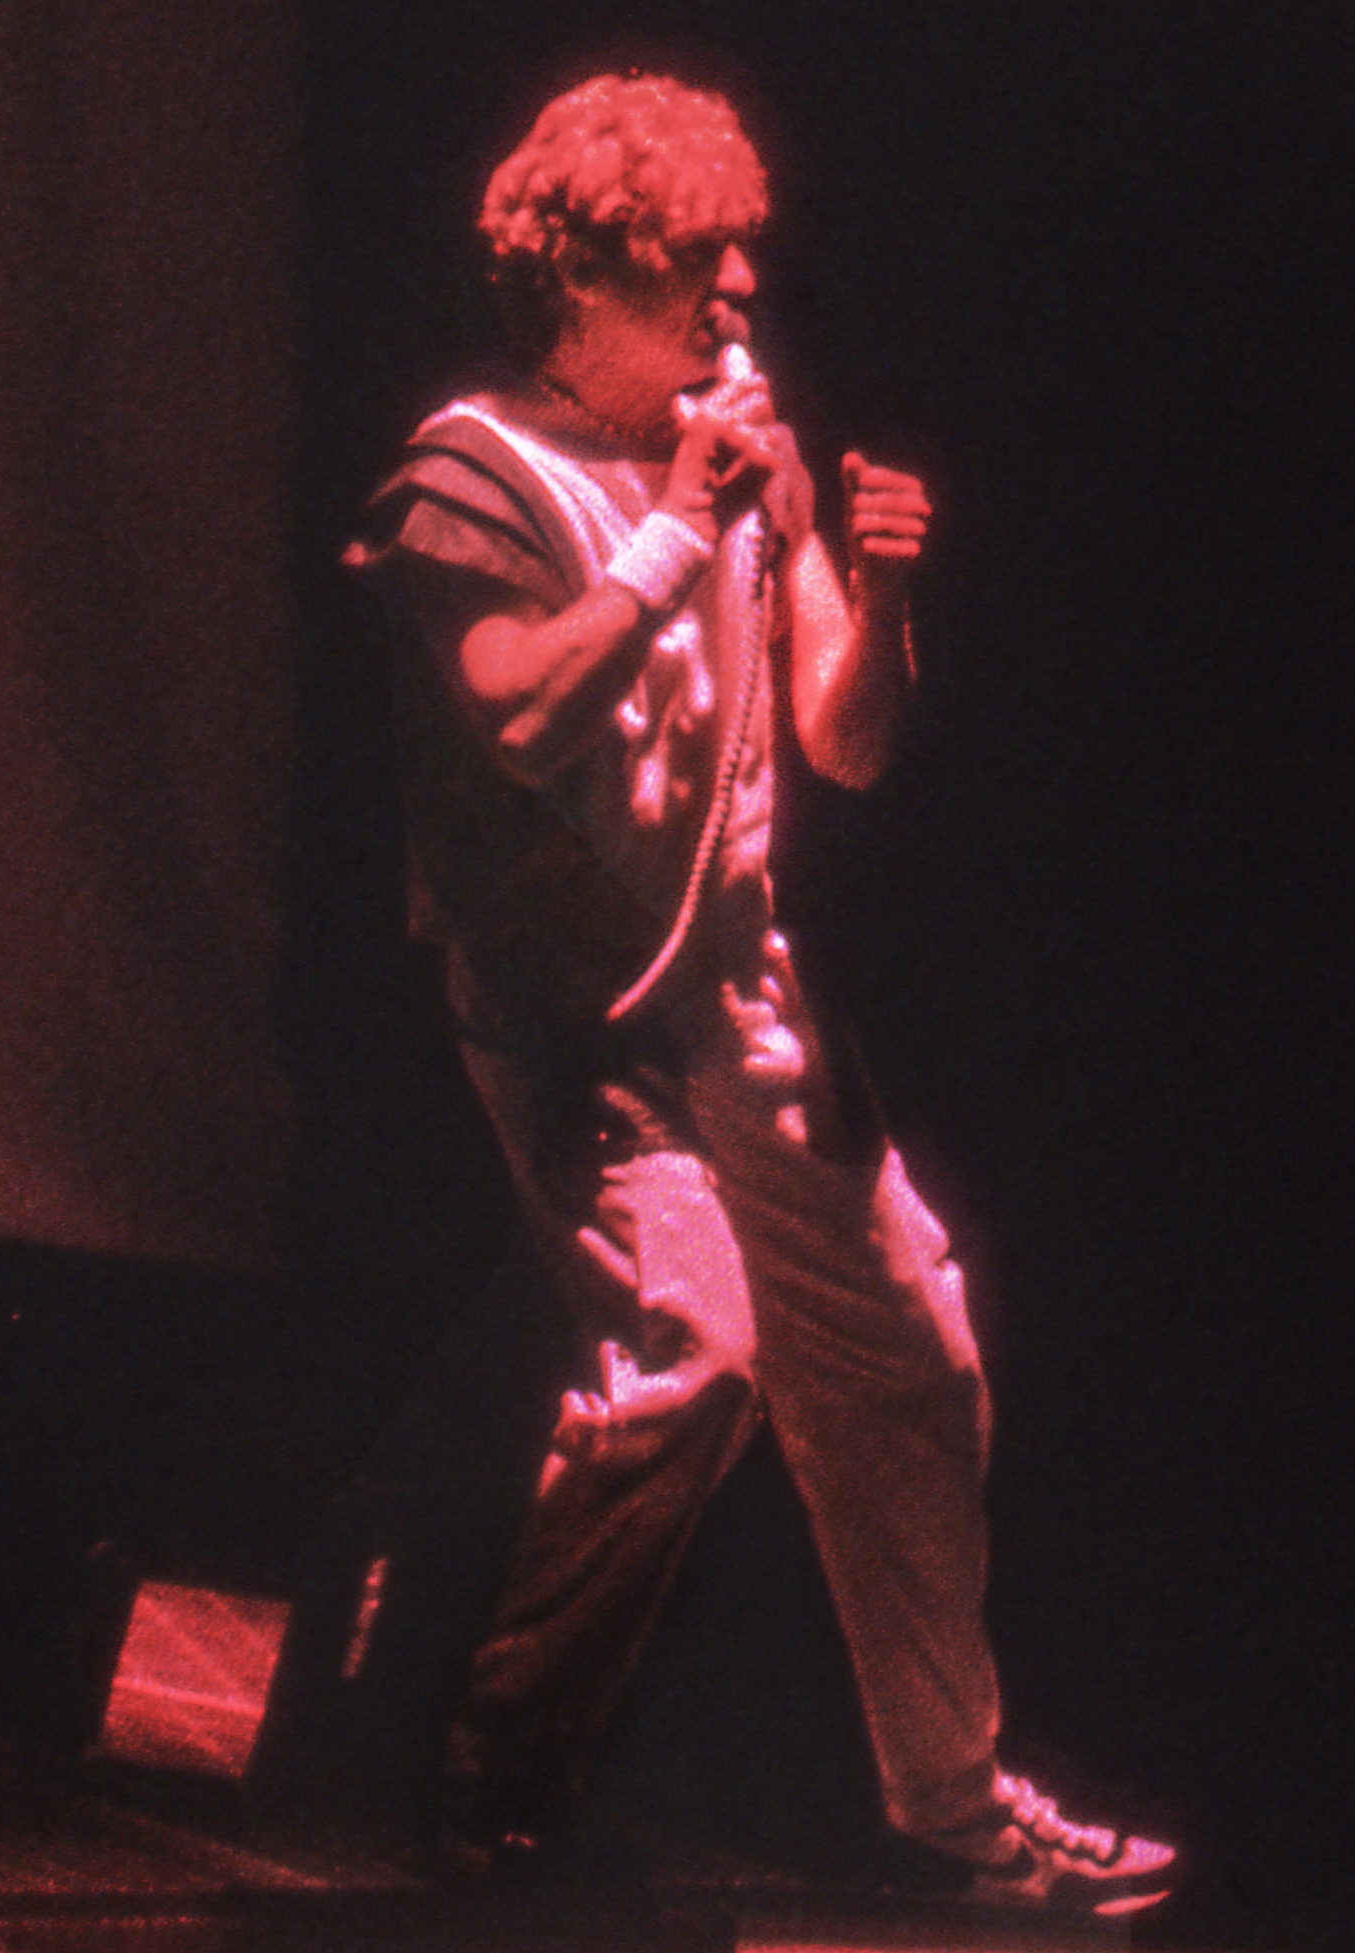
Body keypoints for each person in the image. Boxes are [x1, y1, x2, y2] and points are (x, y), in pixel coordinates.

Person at [342, 72, 1177, 1917]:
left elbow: (843, 741)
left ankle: (958, 1808)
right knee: (691, 1354)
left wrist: (872, 595)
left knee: (912, 1353)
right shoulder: (468, 475)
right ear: (579, 277)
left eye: (740, 258)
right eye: (690, 262)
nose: (735, 293)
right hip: (581, 1016)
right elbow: (519, 720)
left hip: (748, 1003)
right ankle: (487, 1797)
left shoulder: (744, 443)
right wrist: (666, 536)